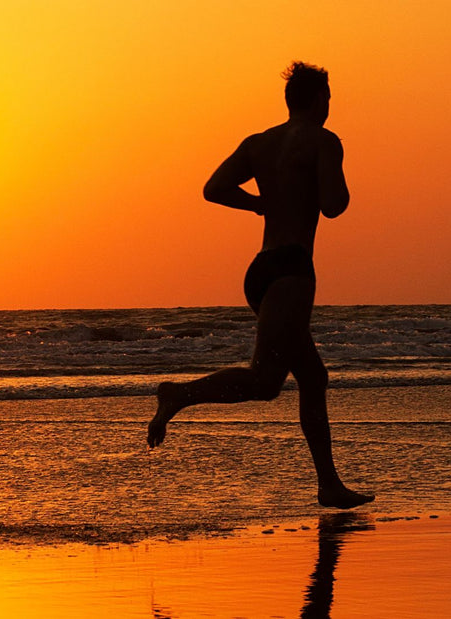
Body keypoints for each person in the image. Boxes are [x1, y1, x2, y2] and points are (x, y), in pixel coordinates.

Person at [147, 62, 374, 509]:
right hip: (292, 270)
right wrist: (332, 177)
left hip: (262, 270)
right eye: (327, 98)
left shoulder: (258, 144)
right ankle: (179, 394)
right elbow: (334, 206)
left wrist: (257, 204)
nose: (330, 106)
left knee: (311, 375)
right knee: (265, 380)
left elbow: (214, 188)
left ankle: (329, 485)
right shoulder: (324, 141)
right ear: (317, 100)